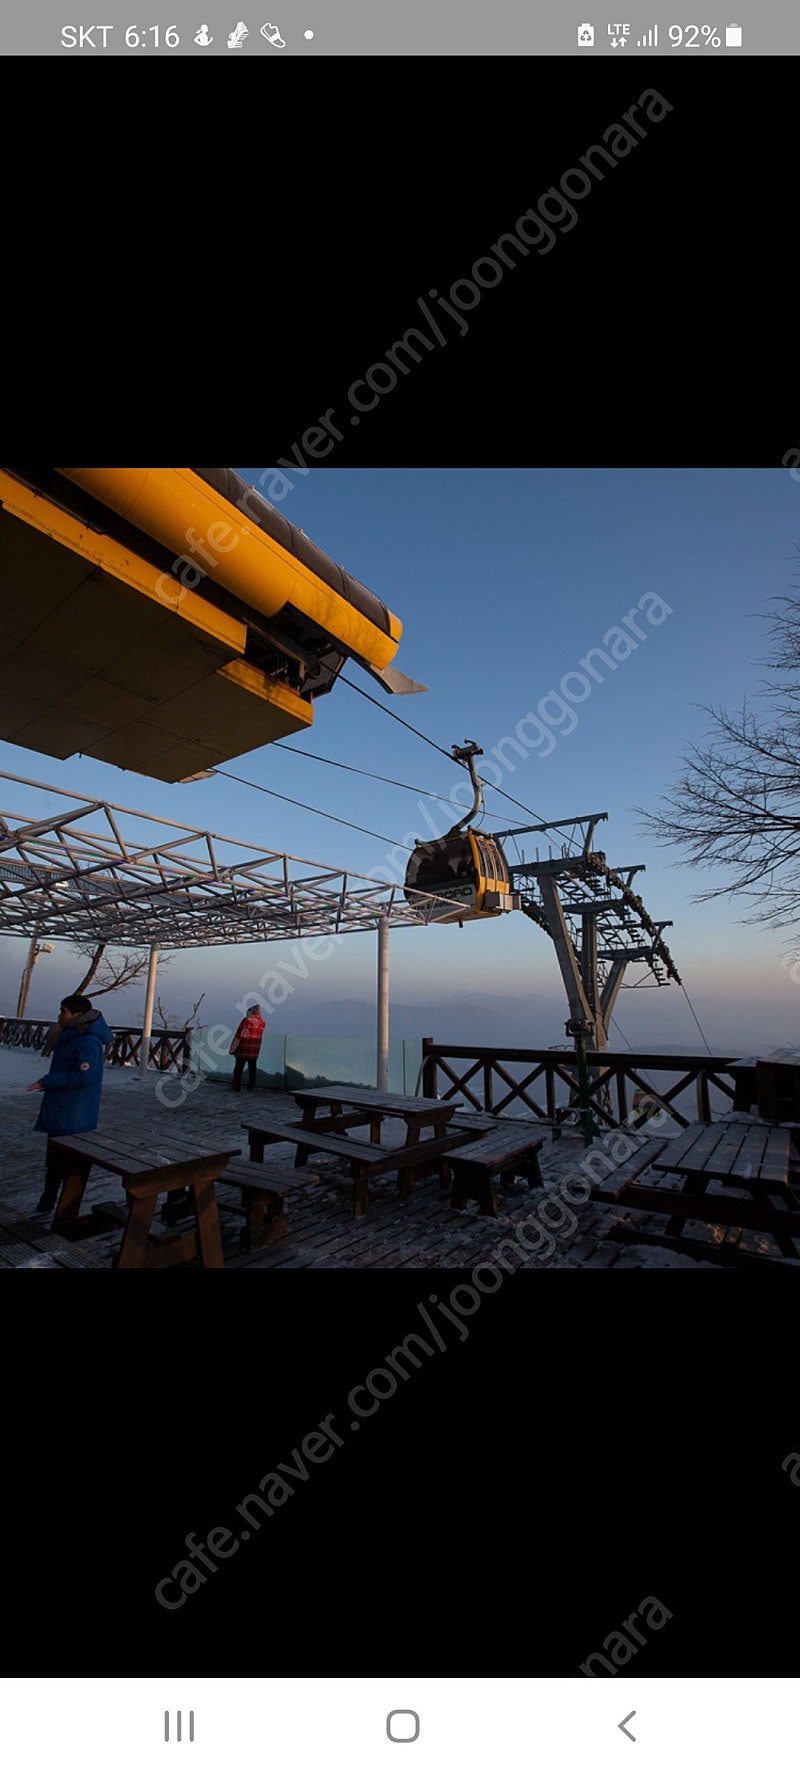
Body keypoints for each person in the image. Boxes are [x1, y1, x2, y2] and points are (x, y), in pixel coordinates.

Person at [27, 994, 113, 1216]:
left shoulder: (88, 1041)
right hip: (63, 1110)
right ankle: (47, 1207)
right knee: (55, 1163)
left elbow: (84, 1076)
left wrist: (47, 1081)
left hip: (75, 1113)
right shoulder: (73, 1036)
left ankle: (65, 1215)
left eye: (64, 1011)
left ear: (78, 1015)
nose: (60, 1015)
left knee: (71, 1167)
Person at [230, 1003, 266, 1091]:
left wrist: (233, 1047)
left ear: (251, 1012)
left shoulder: (246, 1021)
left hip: (244, 1048)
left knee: (239, 1068)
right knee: (252, 1068)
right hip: (255, 1049)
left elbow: (239, 1034)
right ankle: (251, 1085)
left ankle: (236, 1086)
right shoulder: (262, 1023)